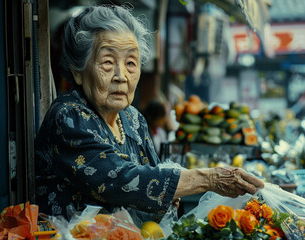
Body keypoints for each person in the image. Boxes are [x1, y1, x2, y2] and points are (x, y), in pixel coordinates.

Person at [35, 5, 264, 221]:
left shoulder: (133, 119)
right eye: (107, 62)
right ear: (78, 72)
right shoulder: (68, 116)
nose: (121, 75)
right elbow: (119, 181)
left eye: (131, 63)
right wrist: (208, 179)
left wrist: (171, 195)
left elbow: (154, 175)